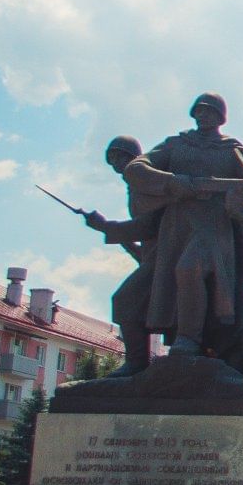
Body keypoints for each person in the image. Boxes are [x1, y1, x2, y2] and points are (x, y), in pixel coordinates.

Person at [123, 93, 243, 368]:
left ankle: (188, 338)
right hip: (177, 226)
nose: (203, 116)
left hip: (214, 227)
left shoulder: (231, 150)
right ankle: (159, 351)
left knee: (189, 269)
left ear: (220, 117)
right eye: (199, 111)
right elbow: (136, 168)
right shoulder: (176, 144)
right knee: (160, 283)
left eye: (210, 112)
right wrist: (174, 182)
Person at [82, 135, 165, 376]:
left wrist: (106, 227)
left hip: (166, 256)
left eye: (118, 157)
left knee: (125, 300)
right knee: (133, 304)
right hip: (154, 256)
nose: (116, 164)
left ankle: (137, 362)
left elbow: (149, 225)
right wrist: (117, 235)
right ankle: (138, 362)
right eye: (112, 160)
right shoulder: (137, 185)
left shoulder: (146, 184)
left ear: (132, 157)